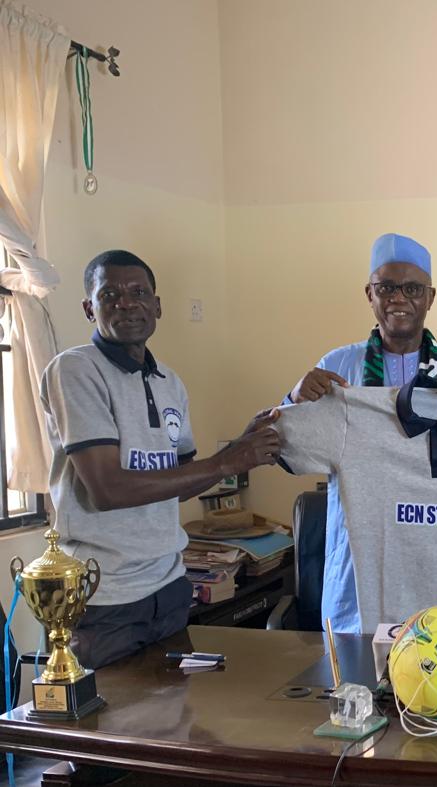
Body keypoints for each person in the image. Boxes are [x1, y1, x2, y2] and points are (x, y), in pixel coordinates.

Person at [41, 250, 281, 669]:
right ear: (89, 308)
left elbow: (182, 481)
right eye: (109, 294)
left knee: (172, 707)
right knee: (114, 710)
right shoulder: (75, 371)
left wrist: (237, 451)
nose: (125, 304)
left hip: (168, 585)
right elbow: (107, 490)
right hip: (105, 596)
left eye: (138, 293)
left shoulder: (169, 382)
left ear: (157, 306)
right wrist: (226, 462)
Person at [285, 232, 437, 634]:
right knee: (360, 665)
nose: (398, 298)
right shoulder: (337, 368)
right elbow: (282, 446)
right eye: (386, 287)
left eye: (412, 289)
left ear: (430, 297)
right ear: (369, 293)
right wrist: (295, 397)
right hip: (363, 561)